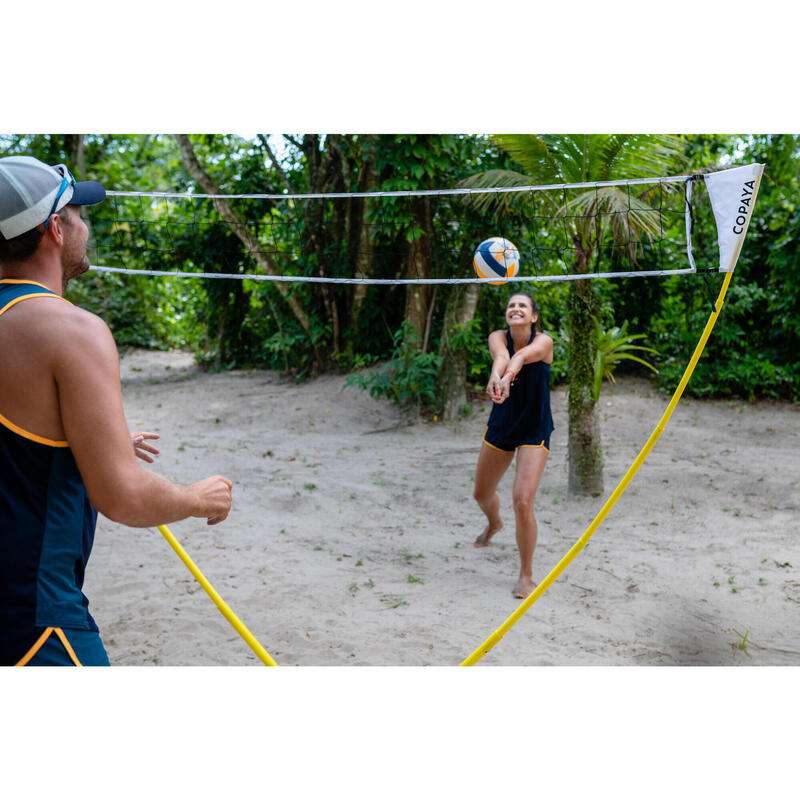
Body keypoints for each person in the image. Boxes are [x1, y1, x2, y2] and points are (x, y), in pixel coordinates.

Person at [0, 156, 233, 666]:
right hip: (36, 625)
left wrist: (83, 446)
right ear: (53, 228)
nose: (86, 226)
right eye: (79, 215)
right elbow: (123, 497)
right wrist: (199, 497)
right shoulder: (71, 330)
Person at [473, 291, 554, 598]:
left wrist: (508, 377)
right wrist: (497, 376)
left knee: (522, 501)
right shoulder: (498, 336)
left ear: (533, 317)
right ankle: (494, 523)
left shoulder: (543, 341)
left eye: (522, 305)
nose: (515, 308)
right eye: (511, 305)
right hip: (503, 424)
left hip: (534, 428)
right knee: (481, 493)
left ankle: (525, 574)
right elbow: (503, 357)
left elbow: (520, 358)